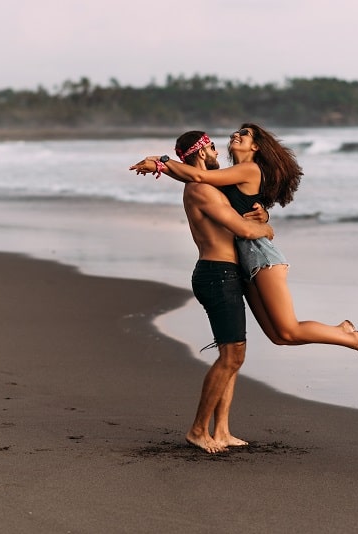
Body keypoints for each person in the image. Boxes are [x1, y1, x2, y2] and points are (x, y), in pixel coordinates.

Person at [130, 123, 358, 367]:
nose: (236, 135)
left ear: (256, 147)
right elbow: (198, 181)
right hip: (245, 257)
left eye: (245, 133)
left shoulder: (250, 169)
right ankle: (342, 332)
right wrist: (161, 164)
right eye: (236, 132)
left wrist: (161, 161)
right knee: (278, 337)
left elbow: (197, 175)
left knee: (289, 329)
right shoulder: (228, 176)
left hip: (260, 255)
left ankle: (350, 337)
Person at [131, 131, 273, 453]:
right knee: (231, 357)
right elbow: (243, 229)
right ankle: (198, 430)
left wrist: (261, 213)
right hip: (216, 274)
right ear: (200, 151)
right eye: (210, 146)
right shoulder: (201, 189)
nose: (215, 150)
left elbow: (244, 210)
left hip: (226, 274)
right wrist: (265, 228)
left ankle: (221, 430)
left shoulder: (210, 184)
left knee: (234, 357)